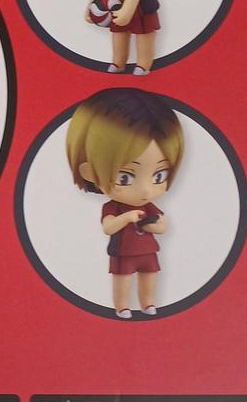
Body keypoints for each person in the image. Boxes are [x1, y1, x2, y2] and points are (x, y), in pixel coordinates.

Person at [66, 88, 184, 318]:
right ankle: (122, 306)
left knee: (150, 276)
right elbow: (108, 227)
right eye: (125, 177)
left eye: (159, 175)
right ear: (89, 172)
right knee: (122, 279)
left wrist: (154, 225)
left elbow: (162, 226)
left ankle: (148, 303)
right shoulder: (114, 207)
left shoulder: (148, 206)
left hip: (148, 251)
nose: (146, 189)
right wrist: (127, 218)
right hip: (124, 253)